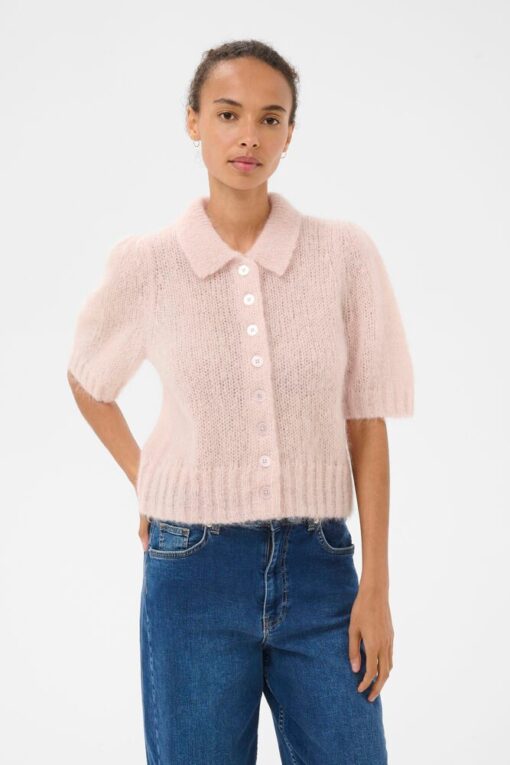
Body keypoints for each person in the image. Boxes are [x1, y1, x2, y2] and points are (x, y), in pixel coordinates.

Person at [67, 38, 414, 765]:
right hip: (191, 568)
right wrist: (146, 478)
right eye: (228, 114)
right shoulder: (148, 263)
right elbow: (88, 379)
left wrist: (376, 587)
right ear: (193, 121)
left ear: (290, 134)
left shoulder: (344, 255)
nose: (248, 135)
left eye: (270, 118)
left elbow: (366, 422)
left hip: (321, 568)